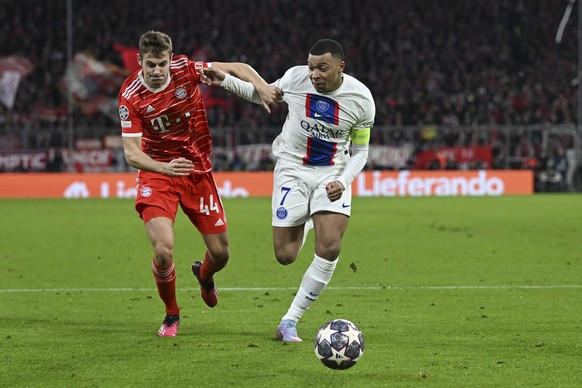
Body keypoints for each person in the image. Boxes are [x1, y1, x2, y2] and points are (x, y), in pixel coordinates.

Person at [201, 39, 376, 342]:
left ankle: (289, 320)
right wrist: (226, 81)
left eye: (322, 67)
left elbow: (360, 151)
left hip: (332, 175)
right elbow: (262, 94)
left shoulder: (361, 99)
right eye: (311, 67)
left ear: (340, 67)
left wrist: (343, 181)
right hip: (291, 170)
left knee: (330, 245)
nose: (315, 74)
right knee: (285, 255)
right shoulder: (296, 78)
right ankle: (310, 217)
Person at [118, 31, 279, 337]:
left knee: (221, 254)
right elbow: (131, 153)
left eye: (161, 64)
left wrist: (261, 86)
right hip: (158, 173)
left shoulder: (186, 69)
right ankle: (171, 314)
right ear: (139, 61)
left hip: (197, 172)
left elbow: (235, 67)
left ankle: (204, 275)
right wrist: (164, 167)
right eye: (149, 64)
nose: (155, 71)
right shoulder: (130, 95)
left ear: (170, 59)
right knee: (163, 250)